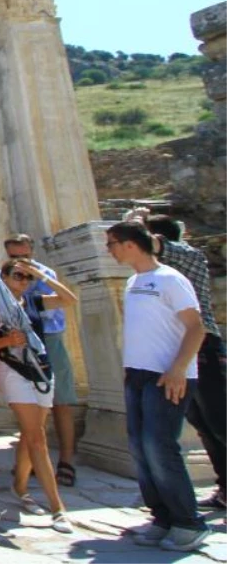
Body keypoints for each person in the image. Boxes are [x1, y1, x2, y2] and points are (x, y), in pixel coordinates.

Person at [106, 221, 209, 552]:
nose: (110, 249)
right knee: (139, 446)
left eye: (112, 243)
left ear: (130, 244)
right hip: (137, 374)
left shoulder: (171, 279)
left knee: (159, 447)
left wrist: (179, 369)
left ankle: (188, 522)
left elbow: (196, 328)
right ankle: (162, 518)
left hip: (166, 376)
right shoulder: (134, 282)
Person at [138, 213, 227, 511]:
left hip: (203, 348)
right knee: (203, 423)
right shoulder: (158, 273)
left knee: (219, 420)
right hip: (177, 350)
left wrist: (136, 223)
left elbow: (149, 243)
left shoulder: (187, 256)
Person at [0, 259, 72, 533]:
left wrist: (41, 273)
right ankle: (58, 507)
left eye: (25, 277)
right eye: (17, 276)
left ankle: (19, 487)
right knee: (36, 437)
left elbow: (69, 299)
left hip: (40, 368)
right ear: (4, 278)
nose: (23, 281)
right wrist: (8, 341)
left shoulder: (34, 301)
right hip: (12, 368)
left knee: (34, 431)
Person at [2, 233, 78, 487]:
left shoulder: (45, 275)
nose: (21, 262)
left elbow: (63, 303)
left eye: (24, 256)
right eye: (14, 257)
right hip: (21, 344)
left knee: (61, 402)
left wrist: (40, 276)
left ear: (31, 251)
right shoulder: (4, 278)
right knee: (28, 405)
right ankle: (31, 459)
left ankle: (66, 460)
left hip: (50, 338)